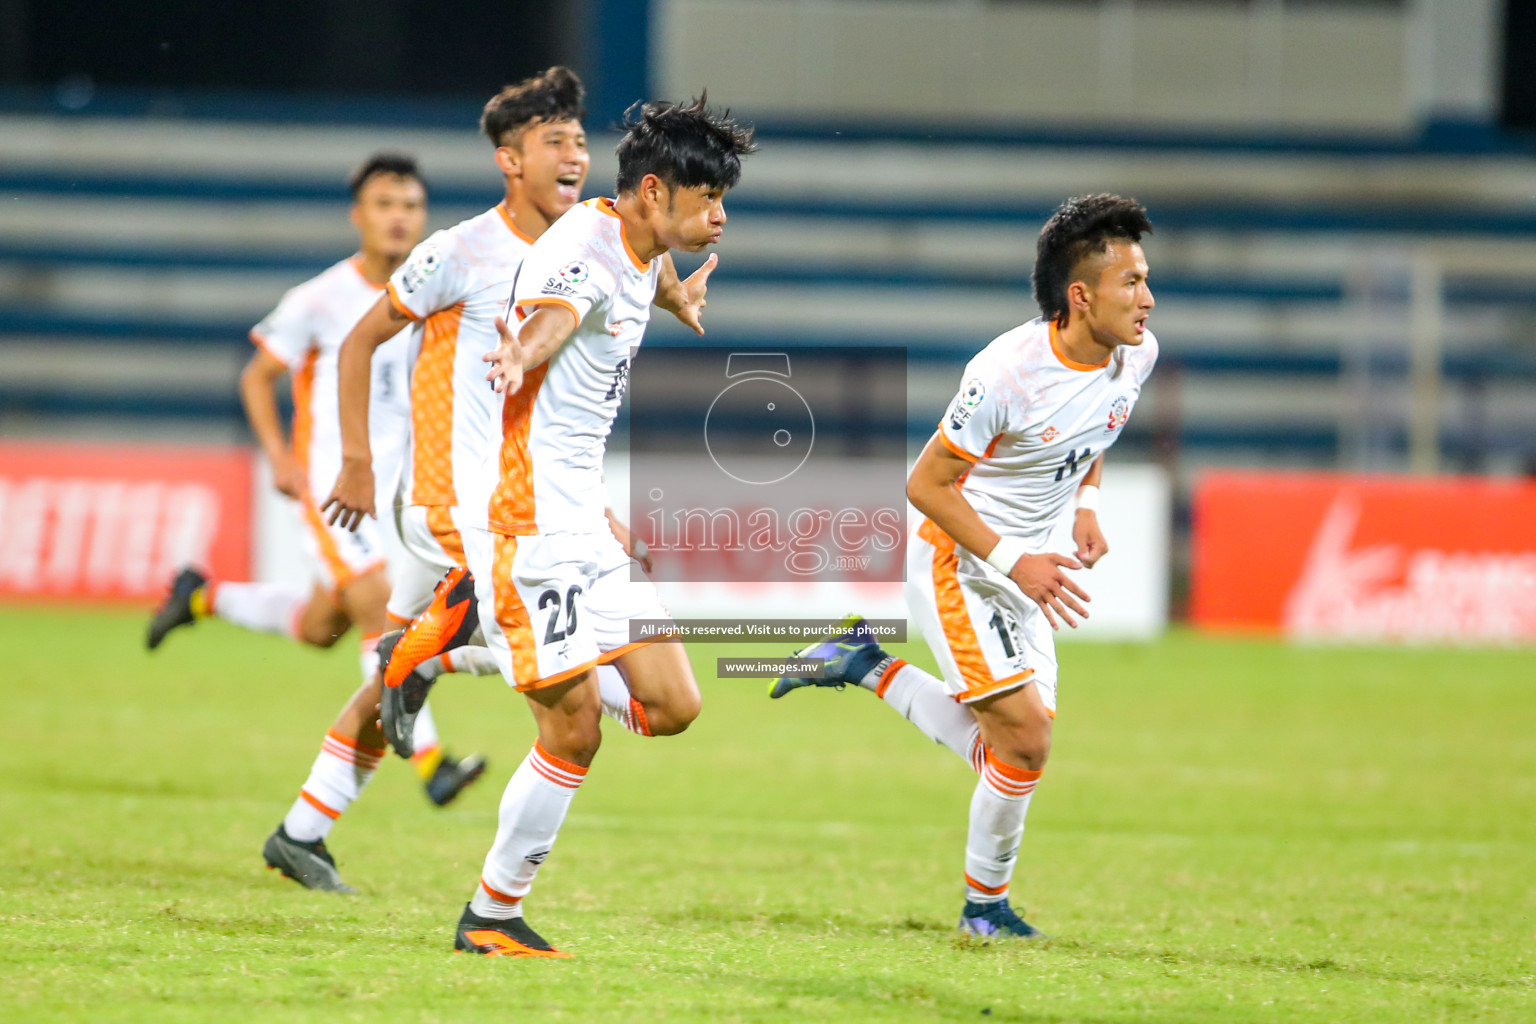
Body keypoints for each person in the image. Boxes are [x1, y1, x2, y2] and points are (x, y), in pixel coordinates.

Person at [772, 194, 1158, 939]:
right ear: (1081, 297)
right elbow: (925, 486)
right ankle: (983, 910)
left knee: (1019, 745)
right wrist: (1017, 562)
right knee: (1026, 741)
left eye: (1146, 280)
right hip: (961, 557)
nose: (1147, 298)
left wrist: (1087, 507)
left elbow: (1096, 430)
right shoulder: (1007, 373)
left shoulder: (1136, 352)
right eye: (1131, 283)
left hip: (1025, 565)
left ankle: (862, 664)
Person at [442, 96, 755, 957]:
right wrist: (519, 350)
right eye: (707, 199)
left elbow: (628, 277)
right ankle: (491, 917)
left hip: (588, 520)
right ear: (654, 191)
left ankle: (469, 634)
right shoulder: (580, 249)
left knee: (673, 705)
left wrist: (672, 300)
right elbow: (558, 313)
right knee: (574, 728)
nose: (720, 217)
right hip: (531, 522)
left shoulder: (631, 235)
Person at [144, 154, 485, 837]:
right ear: (358, 215)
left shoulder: (434, 292)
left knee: (317, 626)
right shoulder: (319, 298)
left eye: (411, 206)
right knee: (381, 612)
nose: (400, 217)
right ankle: (431, 764)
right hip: (335, 492)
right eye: (385, 204)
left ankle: (201, 595)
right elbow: (256, 377)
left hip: (401, 493)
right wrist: (278, 457)